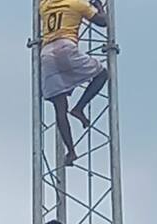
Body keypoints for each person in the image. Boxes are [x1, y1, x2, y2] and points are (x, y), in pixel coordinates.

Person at [40, 0, 109, 166]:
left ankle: (70, 151)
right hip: (66, 47)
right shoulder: (77, 4)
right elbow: (103, 22)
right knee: (102, 74)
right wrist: (98, 6)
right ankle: (79, 108)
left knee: (59, 108)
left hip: (47, 54)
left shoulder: (44, 5)